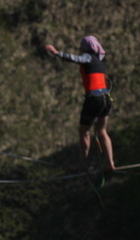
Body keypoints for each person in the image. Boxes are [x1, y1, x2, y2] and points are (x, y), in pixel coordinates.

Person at [45, 35, 116, 173]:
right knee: (102, 131)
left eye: (81, 46)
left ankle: (83, 165)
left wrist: (57, 53)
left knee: (84, 131)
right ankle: (110, 164)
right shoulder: (100, 62)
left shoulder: (88, 57)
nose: (80, 49)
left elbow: (76, 59)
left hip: (94, 98)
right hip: (106, 99)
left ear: (86, 48)